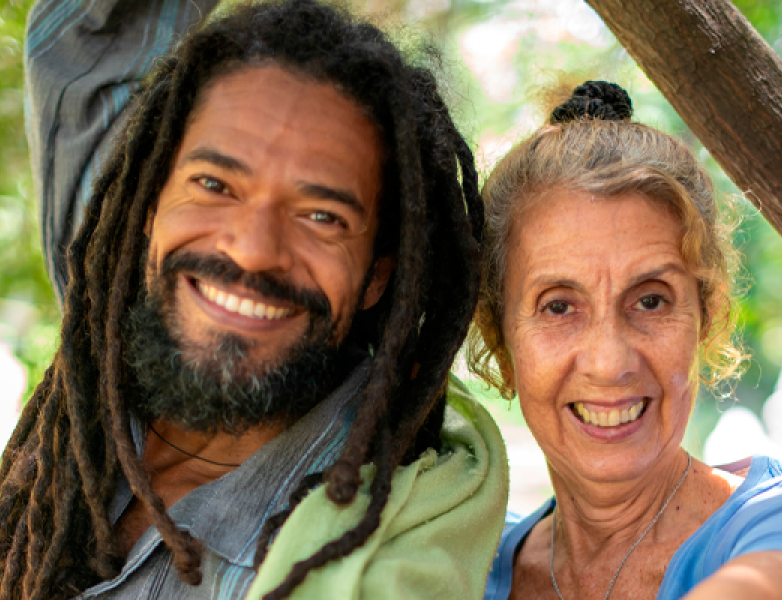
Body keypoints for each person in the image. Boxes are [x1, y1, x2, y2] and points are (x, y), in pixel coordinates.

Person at [6, 1, 508, 599]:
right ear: (148, 206)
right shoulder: (104, 349)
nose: (251, 251)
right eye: (215, 185)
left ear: (377, 275)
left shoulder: (401, 533)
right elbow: (84, 36)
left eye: (322, 217)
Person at [470, 81, 782, 600]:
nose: (609, 362)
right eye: (559, 306)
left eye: (650, 301)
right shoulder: (463, 568)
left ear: (705, 318)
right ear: (501, 342)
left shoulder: (779, 522)